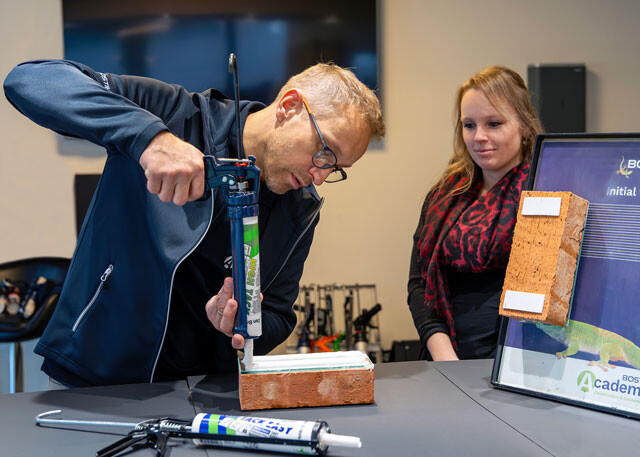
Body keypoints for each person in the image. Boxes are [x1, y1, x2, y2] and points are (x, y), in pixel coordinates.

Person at [3, 59, 384, 387]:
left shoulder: (300, 208)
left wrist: (240, 323)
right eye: (325, 152)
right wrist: (150, 138)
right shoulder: (173, 114)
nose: (321, 175)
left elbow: (278, 317)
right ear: (289, 106)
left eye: (336, 168)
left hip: (204, 394)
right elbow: (30, 81)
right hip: (97, 378)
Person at [407, 66, 542, 361]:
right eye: (469, 125)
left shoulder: (544, 195)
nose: (479, 136)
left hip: (518, 364)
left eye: (493, 124)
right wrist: (445, 357)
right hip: (444, 363)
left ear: (525, 125)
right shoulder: (444, 195)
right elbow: (419, 283)